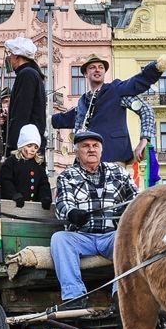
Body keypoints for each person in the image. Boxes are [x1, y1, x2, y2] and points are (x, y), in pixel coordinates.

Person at [52, 131, 138, 308]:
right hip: (82, 237)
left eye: (95, 146)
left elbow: (136, 199)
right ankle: (74, 297)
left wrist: (131, 212)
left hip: (112, 236)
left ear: (101, 150)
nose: (91, 149)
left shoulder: (119, 172)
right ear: (77, 152)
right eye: (85, 146)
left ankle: (120, 294)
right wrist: (72, 213)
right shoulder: (67, 175)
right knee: (59, 239)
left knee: (129, 238)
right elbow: (63, 204)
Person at [51, 54, 166, 166]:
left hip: (113, 158)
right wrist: (43, 118)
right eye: (92, 67)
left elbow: (145, 108)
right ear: (85, 73)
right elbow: (64, 119)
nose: (97, 70)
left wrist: (144, 139)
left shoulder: (115, 90)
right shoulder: (83, 101)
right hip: (85, 162)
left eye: (101, 67)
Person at [3, 37, 46, 155]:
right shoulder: (31, 73)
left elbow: (22, 112)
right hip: (30, 143)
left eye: (11, 55)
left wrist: (12, 146)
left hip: (25, 146)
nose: (9, 58)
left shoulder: (26, 74)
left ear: (17, 56)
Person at [0, 125, 52, 210]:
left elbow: (43, 184)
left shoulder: (38, 166)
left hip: (33, 208)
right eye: (29, 146)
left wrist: (45, 197)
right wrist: (13, 194)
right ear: (22, 145)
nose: (33, 150)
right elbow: (6, 180)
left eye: (36, 147)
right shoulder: (11, 162)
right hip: (13, 206)